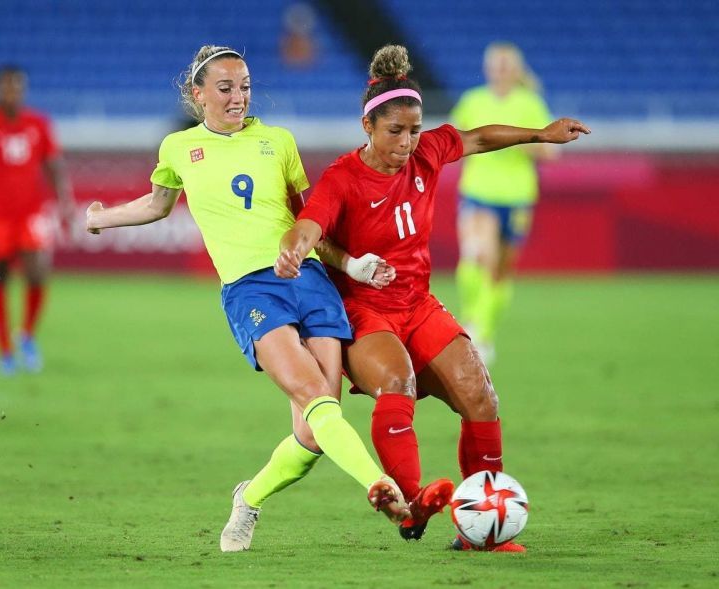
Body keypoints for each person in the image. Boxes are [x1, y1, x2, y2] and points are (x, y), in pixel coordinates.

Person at [84, 45, 442, 554]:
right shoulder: (179, 148)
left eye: (245, 85)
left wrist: (350, 264)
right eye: (226, 87)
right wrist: (102, 217)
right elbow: (158, 204)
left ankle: (248, 498)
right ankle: (378, 485)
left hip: (310, 281)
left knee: (316, 432)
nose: (238, 97)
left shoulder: (279, 141)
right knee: (314, 398)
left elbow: (310, 222)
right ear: (198, 93)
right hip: (251, 288)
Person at [276, 44, 589, 551]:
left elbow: (478, 136)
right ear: (368, 128)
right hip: (363, 310)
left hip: (418, 304)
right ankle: (412, 502)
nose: (406, 142)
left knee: (480, 395)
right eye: (395, 131)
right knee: (396, 380)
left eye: (414, 129)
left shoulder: (428, 151)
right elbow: (310, 226)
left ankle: (482, 531)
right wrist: (294, 249)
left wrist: (540, 133)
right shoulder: (343, 177)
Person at [0, 64, 74, 376]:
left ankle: (27, 334)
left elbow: (54, 166)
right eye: (7, 86)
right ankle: (5, 352)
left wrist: (65, 203)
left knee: (38, 273)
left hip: (30, 212)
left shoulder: (38, 123)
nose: (12, 92)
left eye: (17, 86)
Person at [451, 42, 557, 365]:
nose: (500, 71)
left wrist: (525, 143)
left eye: (506, 65)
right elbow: (452, 140)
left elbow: (551, 150)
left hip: (517, 196)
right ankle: (471, 322)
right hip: (479, 191)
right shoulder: (472, 101)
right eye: (495, 65)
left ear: (515, 70)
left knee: (500, 273)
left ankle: (483, 331)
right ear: (487, 69)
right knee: (477, 255)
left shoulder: (529, 104)